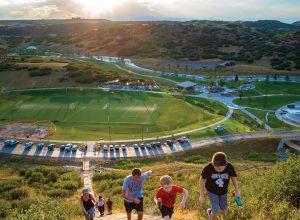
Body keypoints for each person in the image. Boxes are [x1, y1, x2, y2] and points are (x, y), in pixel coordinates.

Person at [199, 152, 240, 220]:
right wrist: (202, 195)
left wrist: (237, 191)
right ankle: (212, 214)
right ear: (213, 164)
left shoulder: (229, 166)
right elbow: (202, 179)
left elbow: (233, 178)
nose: (220, 171)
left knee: (223, 210)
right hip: (211, 191)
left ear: (226, 165)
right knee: (215, 209)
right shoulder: (208, 168)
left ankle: (210, 212)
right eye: (217, 169)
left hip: (223, 191)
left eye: (222, 169)